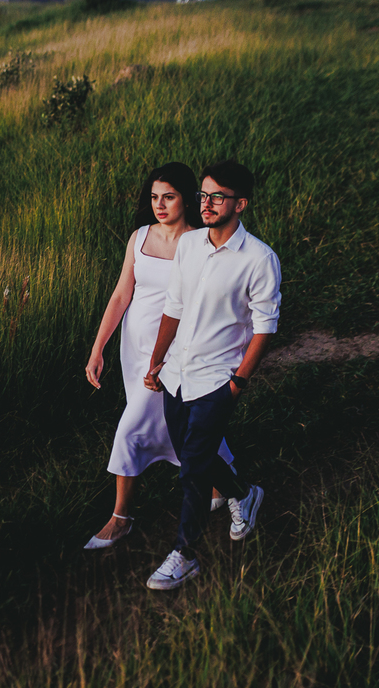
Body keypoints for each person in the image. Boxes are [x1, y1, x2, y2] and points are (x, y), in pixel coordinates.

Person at [141, 160, 281, 589]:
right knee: (189, 455)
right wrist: (157, 360)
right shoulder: (189, 245)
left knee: (193, 469)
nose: (206, 203)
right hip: (177, 374)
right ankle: (244, 492)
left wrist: (237, 383)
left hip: (217, 380)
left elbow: (264, 328)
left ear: (240, 204)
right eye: (203, 195)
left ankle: (185, 554)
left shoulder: (259, 259)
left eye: (217, 196)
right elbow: (174, 307)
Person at [83, 162, 235, 550]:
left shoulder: (201, 245)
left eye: (168, 197)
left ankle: (121, 518)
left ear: (187, 198)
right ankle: (231, 487)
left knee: (131, 428)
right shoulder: (139, 238)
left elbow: (204, 307)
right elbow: (121, 296)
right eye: (154, 197)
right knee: (180, 422)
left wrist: (171, 357)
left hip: (172, 354)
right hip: (133, 350)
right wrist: (98, 347)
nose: (160, 205)